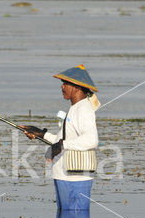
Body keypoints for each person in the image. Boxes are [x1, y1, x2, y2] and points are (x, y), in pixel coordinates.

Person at [21, 64, 99, 210]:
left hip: (76, 179)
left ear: (77, 87)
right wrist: (40, 133)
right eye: (62, 84)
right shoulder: (74, 108)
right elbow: (61, 139)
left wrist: (62, 145)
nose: (62, 87)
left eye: (65, 84)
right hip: (65, 176)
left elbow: (91, 139)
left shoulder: (84, 109)